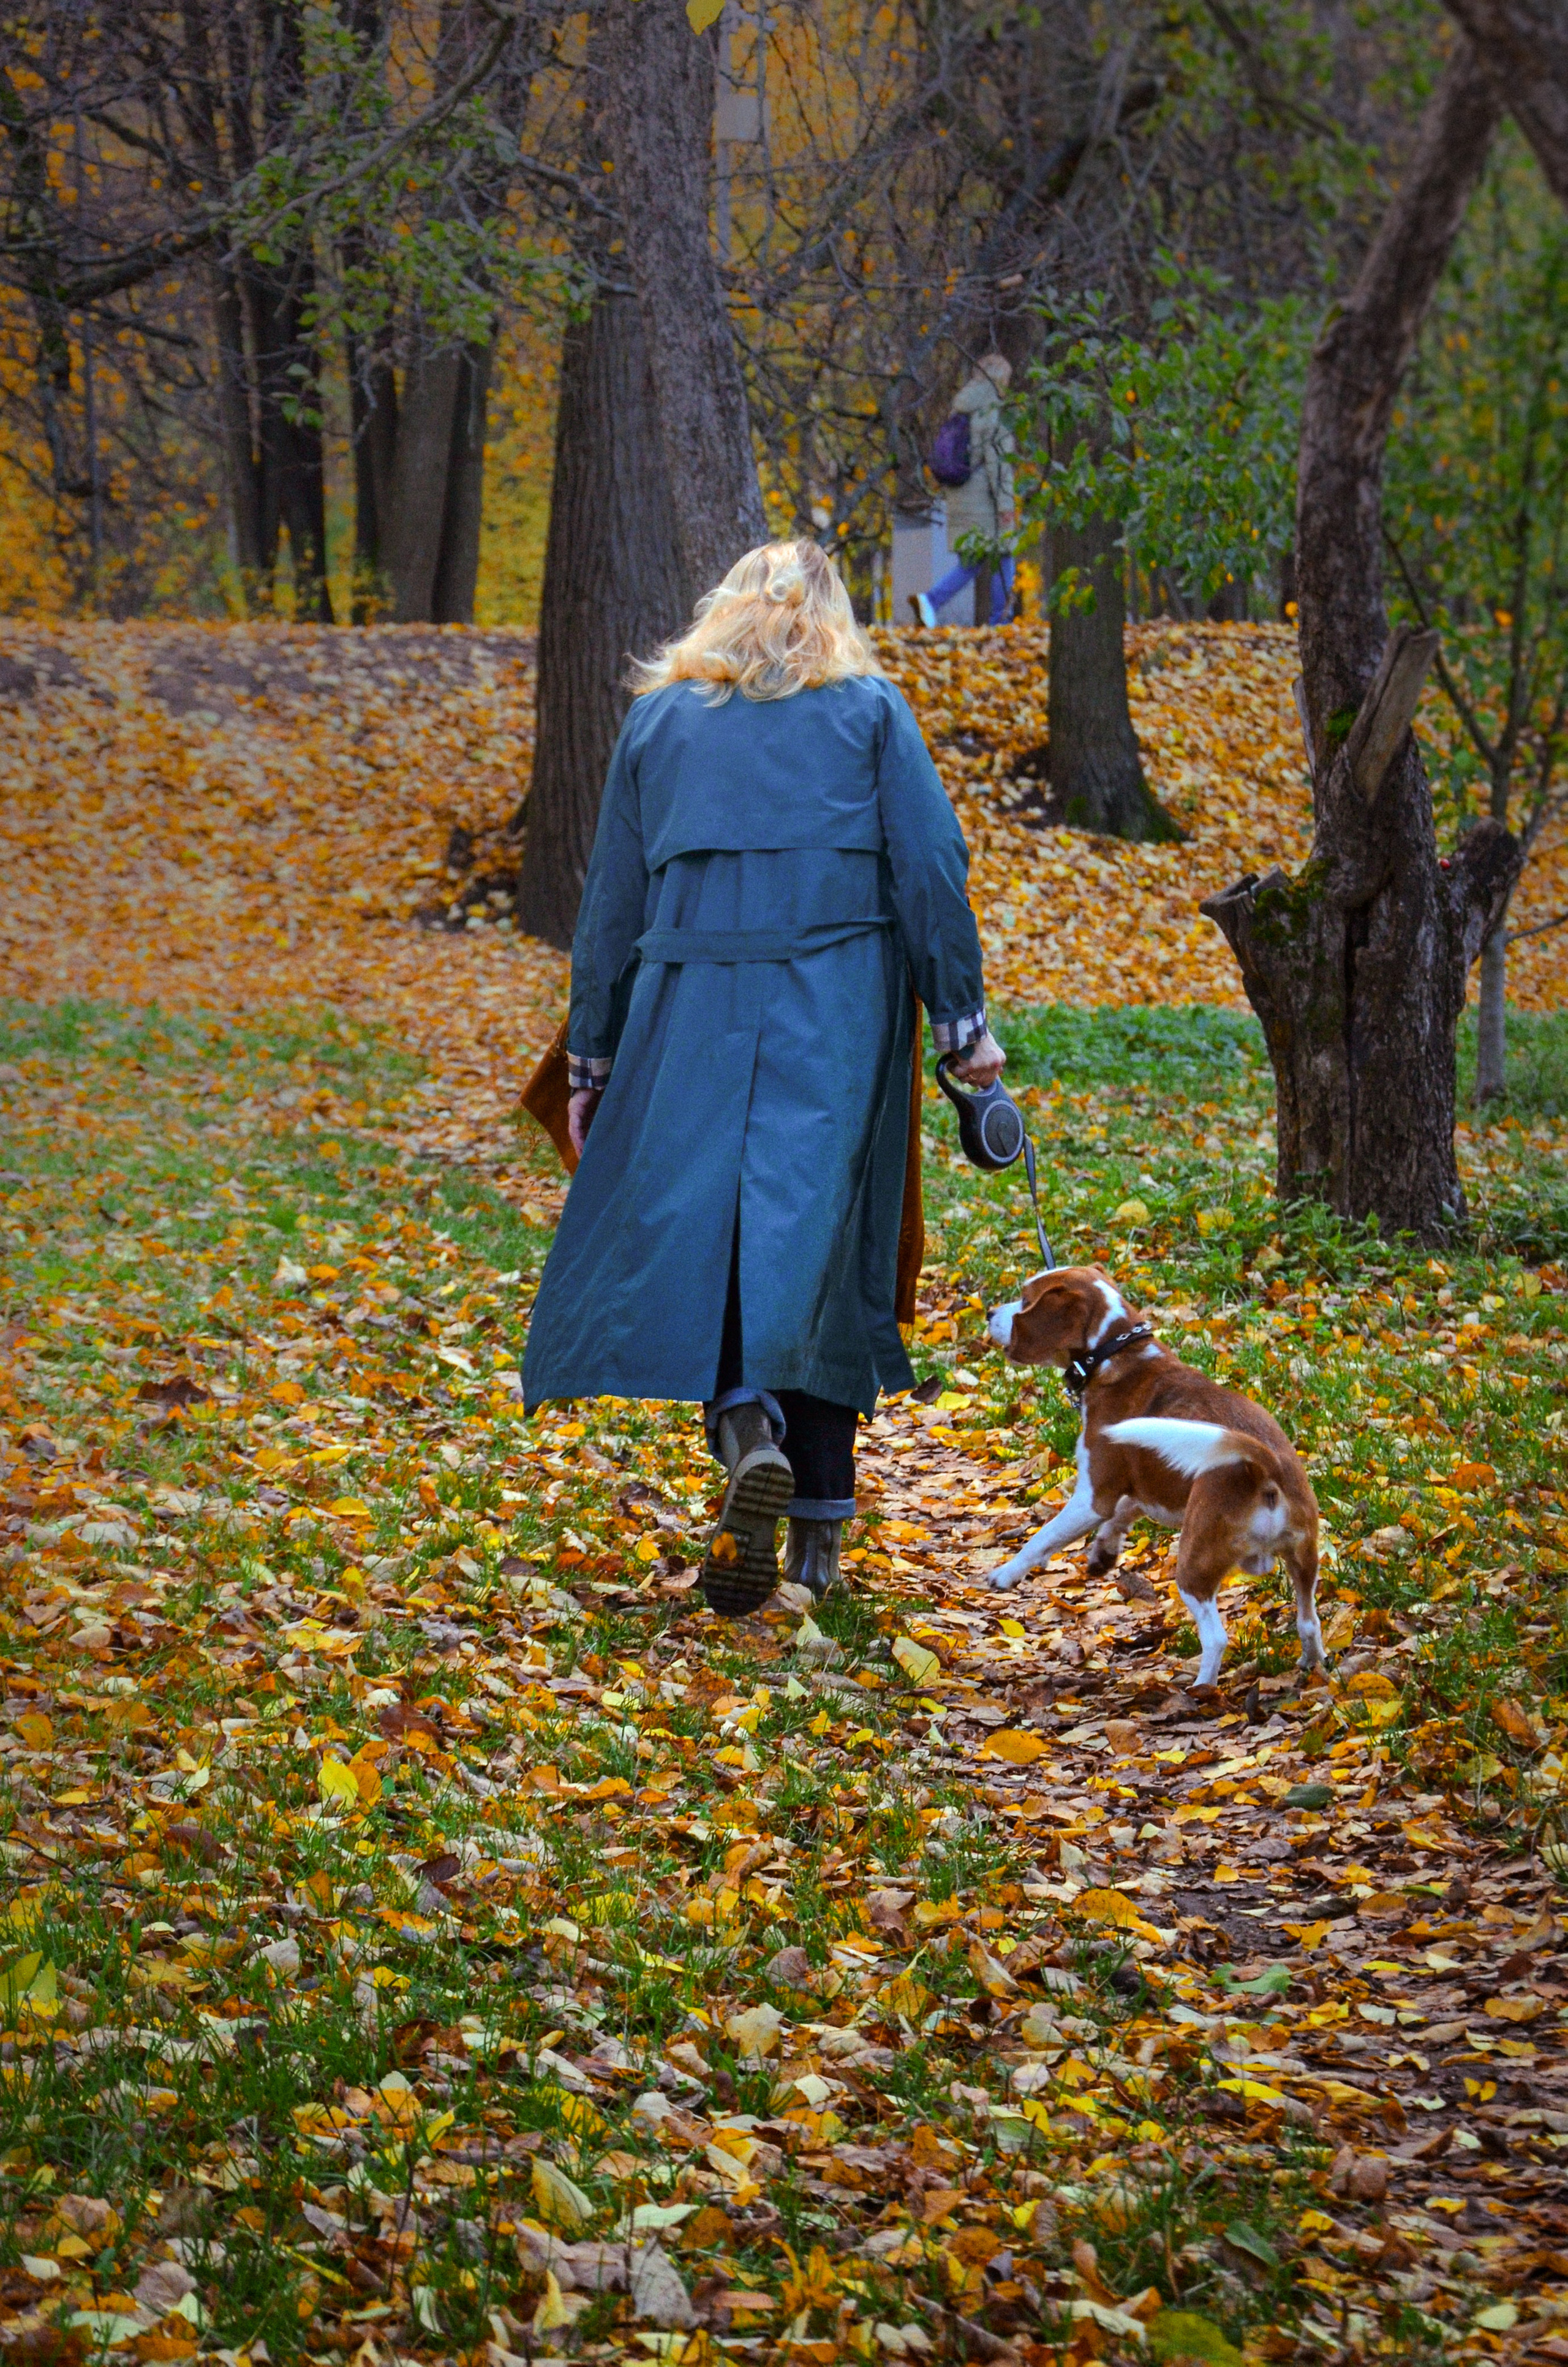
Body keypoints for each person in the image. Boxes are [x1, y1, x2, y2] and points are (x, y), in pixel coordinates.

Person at [521, 540, 1003, 1617]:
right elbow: (930, 869)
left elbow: (610, 905)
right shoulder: (871, 714)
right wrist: (964, 1025)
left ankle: (743, 1420)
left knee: (714, 1233)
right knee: (823, 1246)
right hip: (836, 1012)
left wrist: (590, 1058)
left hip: (688, 1013)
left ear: (724, 614)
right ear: (833, 618)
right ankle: (816, 1550)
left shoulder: (658, 724)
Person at [913, 353, 1016, 628]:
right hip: (985, 498)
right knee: (1003, 555)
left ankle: (931, 602)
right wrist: (1006, 505)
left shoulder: (962, 406)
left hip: (960, 495)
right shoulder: (991, 409)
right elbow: (998, 462)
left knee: (971, 562)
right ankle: (1001, 622)